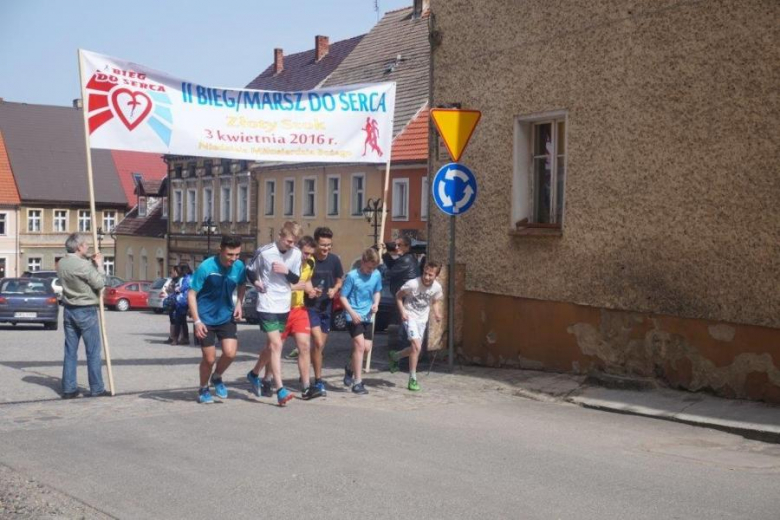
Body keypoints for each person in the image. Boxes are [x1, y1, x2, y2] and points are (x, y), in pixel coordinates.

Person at [245, 222, 302, 406]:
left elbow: (296, 278)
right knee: (277, 345)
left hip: (283, 304)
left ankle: (254, 374)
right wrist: (256, 283)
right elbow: (250, 269)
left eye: (294, 242)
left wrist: (287, 271)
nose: (291, 245)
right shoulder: (265, 251)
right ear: (280, 235)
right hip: (267, 303)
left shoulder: (297, 254)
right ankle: (280, 389)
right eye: (288, 241)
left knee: (271, 347)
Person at [188, 235, 246, 404]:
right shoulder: (206, 267)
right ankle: (203, 388)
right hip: (205, 318)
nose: (234, 259)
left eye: (237, 255)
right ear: (220, 249)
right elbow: (191, 294)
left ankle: (217, 376)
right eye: (230, 255)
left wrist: (239, 303)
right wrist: (197, 321)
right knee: (209, 358)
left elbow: (242, 284)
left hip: (226, 315)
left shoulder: (239, 266)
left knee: (230, 353)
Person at [57, 233, 108, 398]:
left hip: (69, 309)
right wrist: (99, 265)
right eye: (85, 245)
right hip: (86, 309)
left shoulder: (62, 262)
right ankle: (97, 388)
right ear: (79, 247)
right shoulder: (83, 265)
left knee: (70, 351)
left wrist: (90, 263)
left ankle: (69, 388)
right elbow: (100, 283)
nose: (88, 247)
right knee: (93, 351)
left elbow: (82, 275)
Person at [388, 261, 444, 392]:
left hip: (422, 320)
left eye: (430, 275)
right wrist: (402, 312)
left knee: (415, 348)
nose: (427, 277)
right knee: (417, 346)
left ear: (436, 276)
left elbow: (435, 301)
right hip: (410, 316)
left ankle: (395, 356)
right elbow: (398, 296)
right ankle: (413, 378)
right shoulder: (413, 284)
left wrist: (436, 313)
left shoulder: (437, 288)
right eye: (425, 273)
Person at [304, 227, 344, 396]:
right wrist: (310, 290)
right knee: (318, 343)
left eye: (329, 245)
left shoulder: (334, 260)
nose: (326, 248)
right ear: (316, 244)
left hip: (326, 307)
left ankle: (312, 375)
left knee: (319, 347)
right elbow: (303, 280)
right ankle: (318, 380)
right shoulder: (310, 259)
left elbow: (339, 280)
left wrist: (335, 289)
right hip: (311, 306)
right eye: (323, 245)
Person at [339, 248, 382, 395]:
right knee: (359, 345)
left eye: (374, 267)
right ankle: (358, 383)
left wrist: (376, 303)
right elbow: (343, 297)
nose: (371, 270)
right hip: (353, 316)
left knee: (367, 348)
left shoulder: (376, 275)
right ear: (363, 262)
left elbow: (377, 291)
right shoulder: (352, 276)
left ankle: (350, 368)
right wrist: (351, 312)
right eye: (369, 267)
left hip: (367, 315)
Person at [172, 264, 192, 345]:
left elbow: (183, 288)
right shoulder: (192, 277)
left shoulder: (186, 278)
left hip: (182, 301)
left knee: (178, 321)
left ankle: (175, 339)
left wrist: (177, 289)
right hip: (189, 301)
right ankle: (185, 338)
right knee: (183, 322)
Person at [164, 265, 180, 344]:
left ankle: (174, 337)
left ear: (176, 272)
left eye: (172, 272)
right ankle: (171, 336)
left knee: (175, 321)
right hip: (172, 302)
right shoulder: (174, 280)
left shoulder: (178, 280)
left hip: (176, 302)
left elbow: (174, 290)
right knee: (172, 320)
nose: (171, 273)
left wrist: (169, 289)